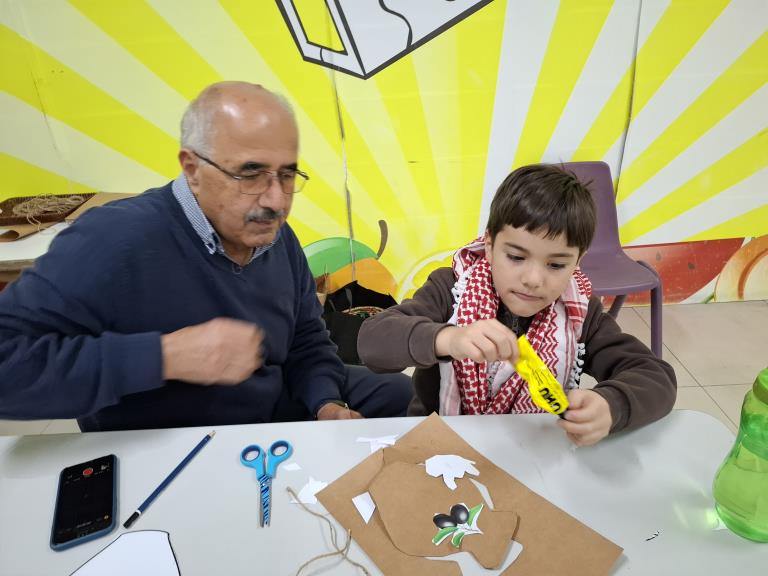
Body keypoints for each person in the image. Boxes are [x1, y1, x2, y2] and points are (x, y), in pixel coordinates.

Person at [0, 81, 412, 431]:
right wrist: (162, 357)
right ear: (192, 168)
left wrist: (325, 403)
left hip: (267, 409)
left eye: (287, 174)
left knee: (400, 393)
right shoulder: (111, 240)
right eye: (249, 173)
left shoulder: (277, 238)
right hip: (166, 440)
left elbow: (306, 339)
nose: (276, 200)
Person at [358, 164, 676, 446]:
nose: (533, 279)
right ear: (490, 245)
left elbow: (655, 375)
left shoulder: (580, 314)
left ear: (577, 262)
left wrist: (611, 405)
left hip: (533, 453)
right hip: (438, 446)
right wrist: (448, 338)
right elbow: (372, 342)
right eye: (516, 257)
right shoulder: (451, 289)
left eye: (556, 265)